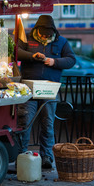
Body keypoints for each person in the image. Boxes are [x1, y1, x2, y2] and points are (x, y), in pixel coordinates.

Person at [17, 15, 76, 169]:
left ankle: (47, 158)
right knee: (25, 123)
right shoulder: (27, 38)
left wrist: (54, 61)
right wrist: (32, 56)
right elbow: (16, 52)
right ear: (37, 30)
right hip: (28, 88)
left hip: (50, 90)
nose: (44, 36)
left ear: (53, 32)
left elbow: (71, 59)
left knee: (48, 124)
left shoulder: (61, 42)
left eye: (47, 35)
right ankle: (21, 156)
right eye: (42, 34)